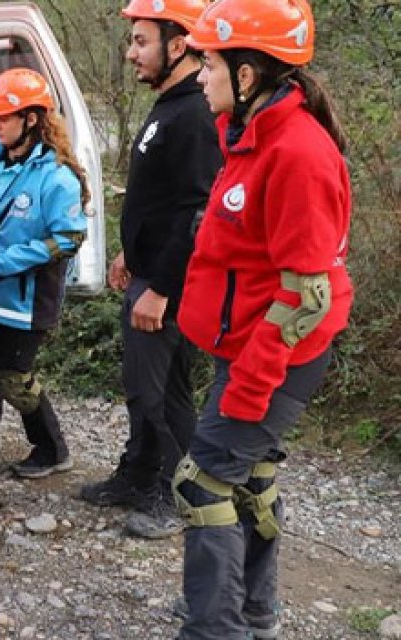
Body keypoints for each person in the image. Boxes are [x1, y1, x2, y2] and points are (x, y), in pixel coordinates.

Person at [172, 1, 353, 637]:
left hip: (272, 356)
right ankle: (249, 609)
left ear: (246, 75)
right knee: (250, 479)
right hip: (250, 345)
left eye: (208, 63)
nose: (198, 75)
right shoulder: (252, 137)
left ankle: (216, 628)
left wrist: (248, 386)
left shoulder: (298, 152)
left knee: (203, 486)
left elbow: (308, 297)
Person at [79, 0, 222, 540]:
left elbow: (196, 213)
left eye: (141, 41)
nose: (131, 52)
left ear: (178, 45)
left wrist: (160, 287)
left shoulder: (194, 116)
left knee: (163, 393)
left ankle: (175, 491)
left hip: (169, 286)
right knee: (142, 387)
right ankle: (138, 473)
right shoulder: (169, 103)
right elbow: (159, 199)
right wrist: (129, 255)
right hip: (148, 273)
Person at [0, 68, 89, 481]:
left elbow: (67, 239)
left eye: (3, 118)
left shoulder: (57, 177)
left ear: (31, 119)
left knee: (15, 378)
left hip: (29, 298)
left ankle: (52, 449)